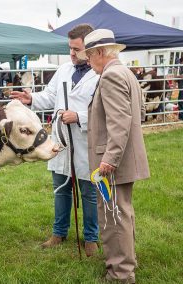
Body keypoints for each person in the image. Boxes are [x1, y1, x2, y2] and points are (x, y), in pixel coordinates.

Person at [10, 24, 100, 257]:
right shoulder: (63, 70)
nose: (71, 53)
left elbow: (104, 112)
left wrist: (79, 116)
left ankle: (91, 237)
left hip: (85, 141)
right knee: (61, 188)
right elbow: (50, 96)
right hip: (60, 140)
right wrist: (31, 98)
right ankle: (59, 233)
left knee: (89, 191)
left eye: (76, 49)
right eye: (69, 48)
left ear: (88, 47)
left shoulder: (100, 74)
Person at [77, 28, 150, 283]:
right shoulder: (125, 72)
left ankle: (120, 274)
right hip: (124, 159)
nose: (87, 60)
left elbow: (119, 122)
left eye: (89, 55)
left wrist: (109, 160)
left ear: (99, 52)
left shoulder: (110, 76)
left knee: (113, 217)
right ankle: (126, 263)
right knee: (122, 213)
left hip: (113, 164)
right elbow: (137, 113)